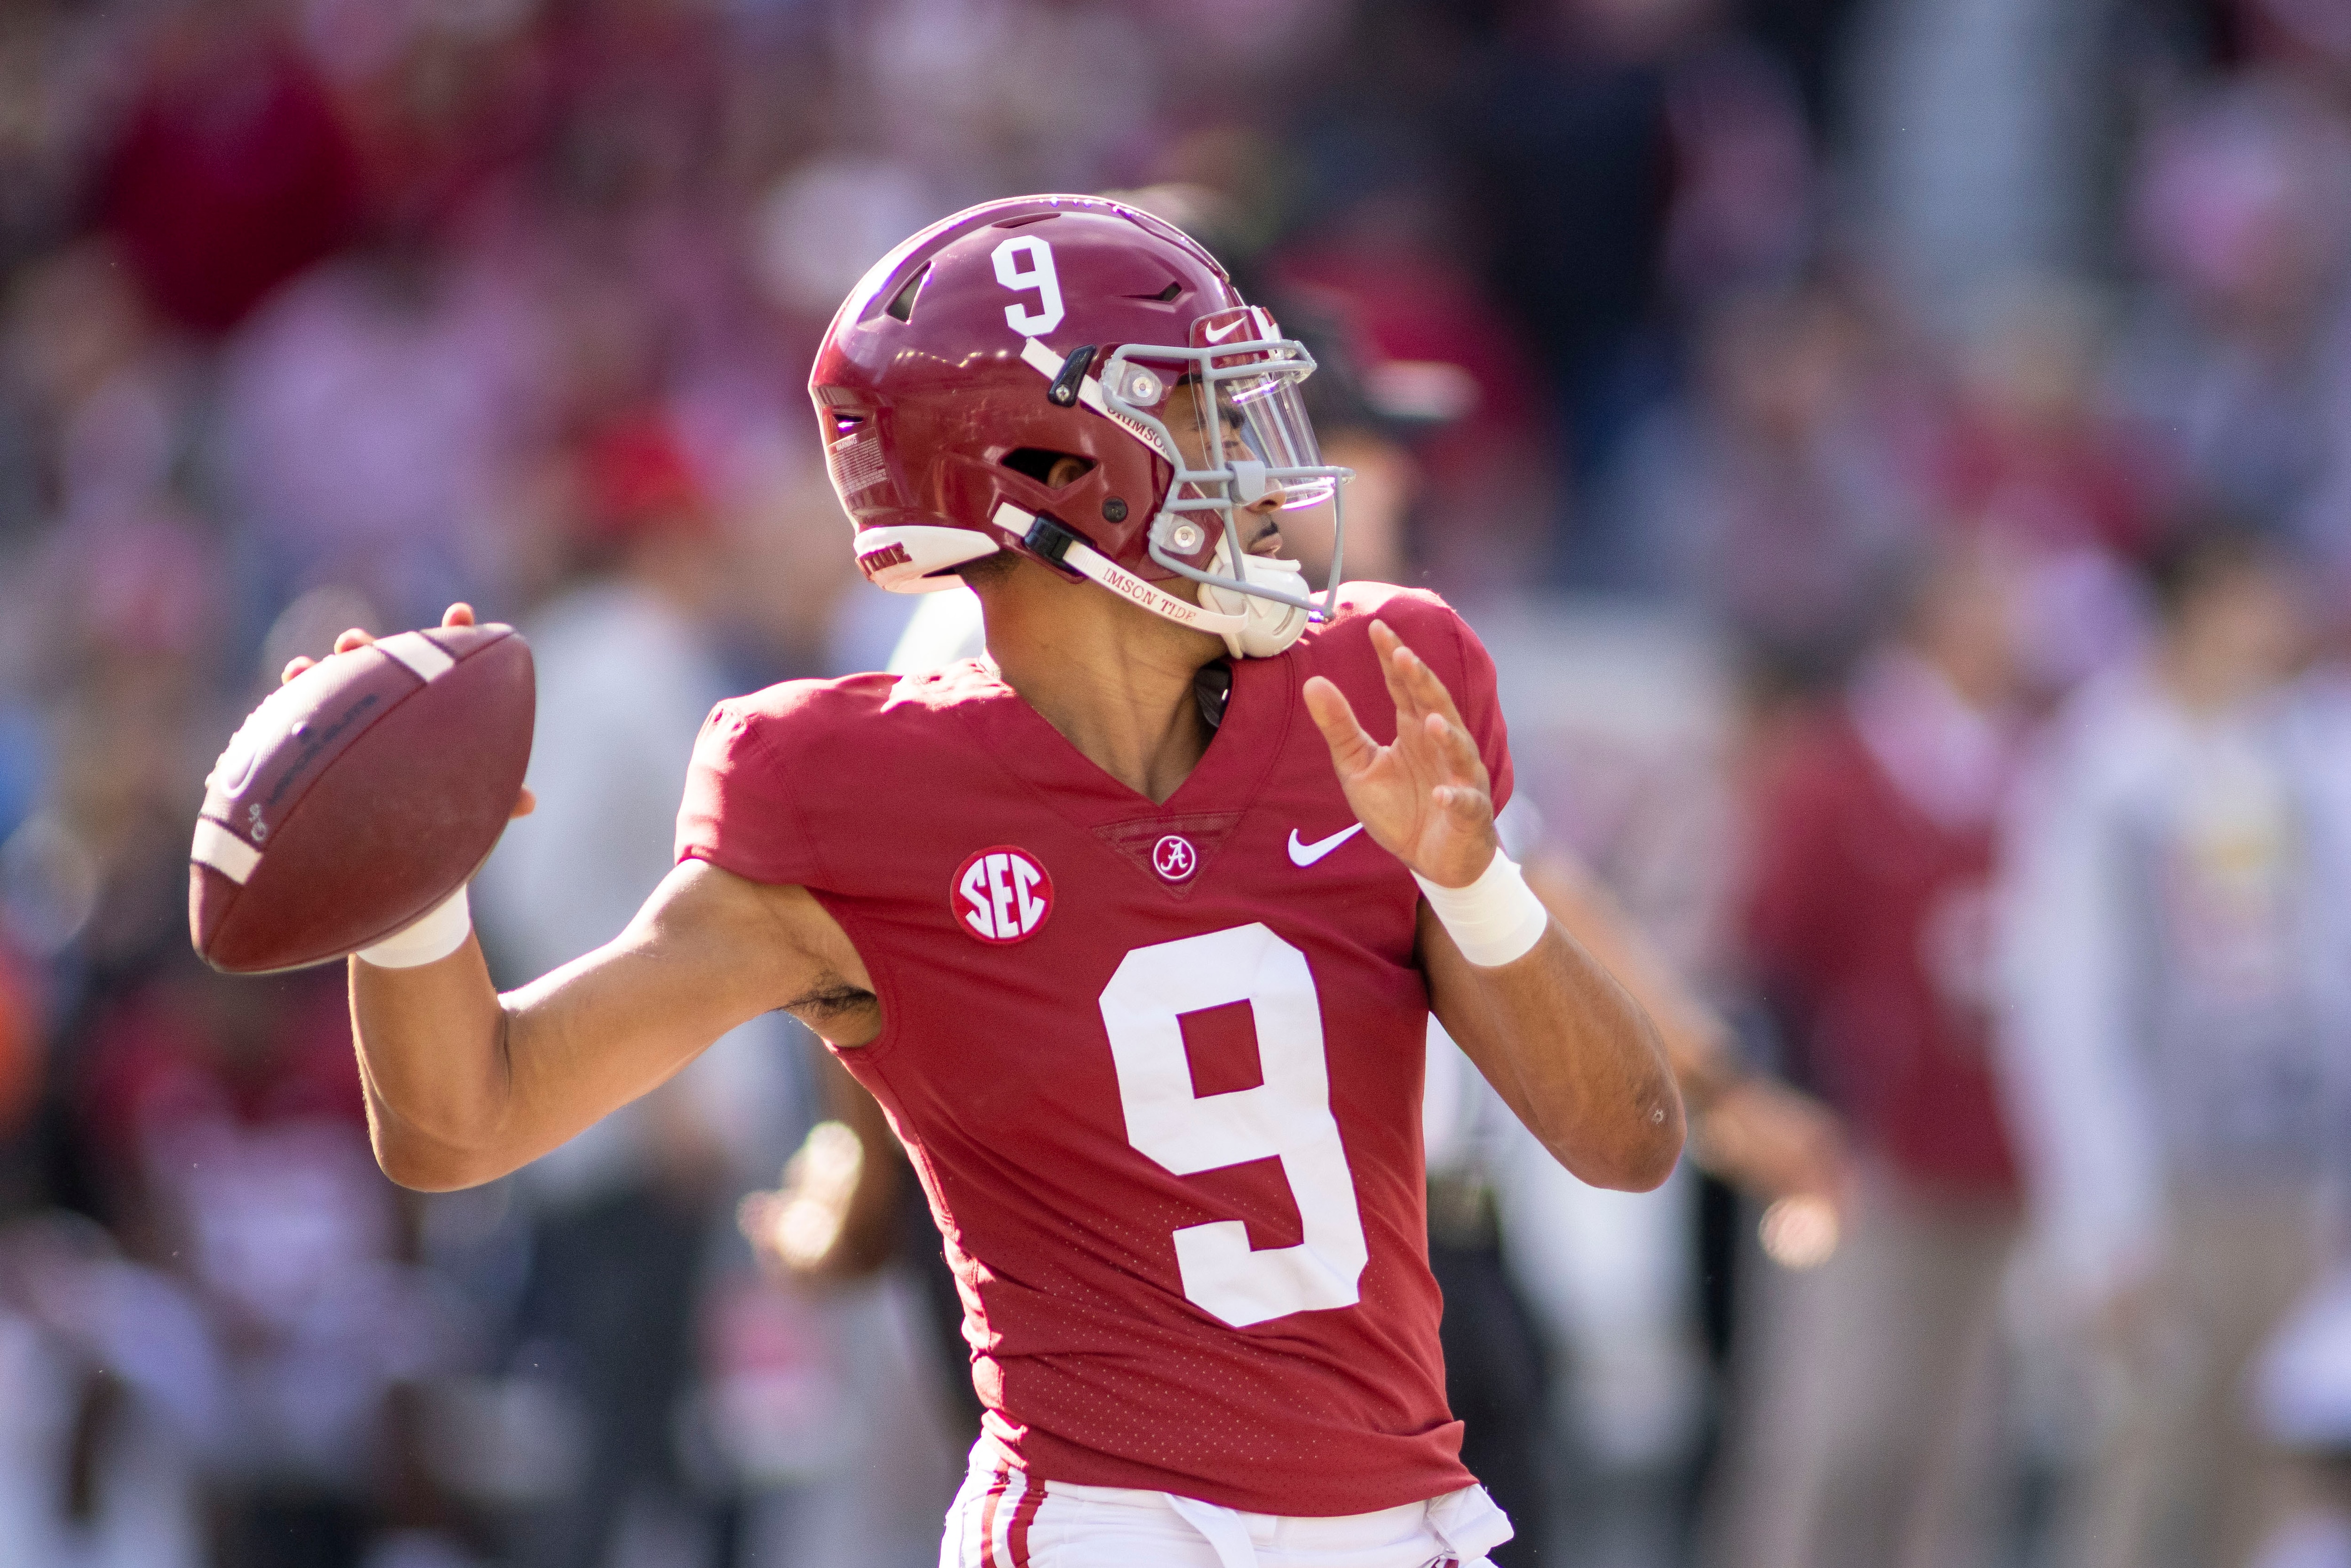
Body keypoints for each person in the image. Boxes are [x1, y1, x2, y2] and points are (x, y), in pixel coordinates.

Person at [285, 196, 1683, 1568]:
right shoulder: (846, 789)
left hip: (1404, 1526)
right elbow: (467, 1121)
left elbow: (1628, 1142)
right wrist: (408, 888)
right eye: (1201, 415)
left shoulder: (1377, 689)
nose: (1261, 469)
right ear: (1055, 474)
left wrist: (1478, 881)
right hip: (1103, 1531)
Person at [1997, 526, 2343, 1568]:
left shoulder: (2308, 755)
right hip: (2165, 1179)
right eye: (2257, 598)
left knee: (2277, 1475)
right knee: (2143, 1478)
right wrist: (2103, 1213)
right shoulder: (2107, 766)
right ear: (2198, 607)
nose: (2280, 623)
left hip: (2288, 1173)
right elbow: (2069, 999)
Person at [1704, 541, 2028, 1568]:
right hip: (1862, 1141)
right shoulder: (1842, 769)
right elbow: (1772, 942)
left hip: (1989, 1137)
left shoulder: (2027, 768)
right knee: (1833, 1429)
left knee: (1958, 1443)